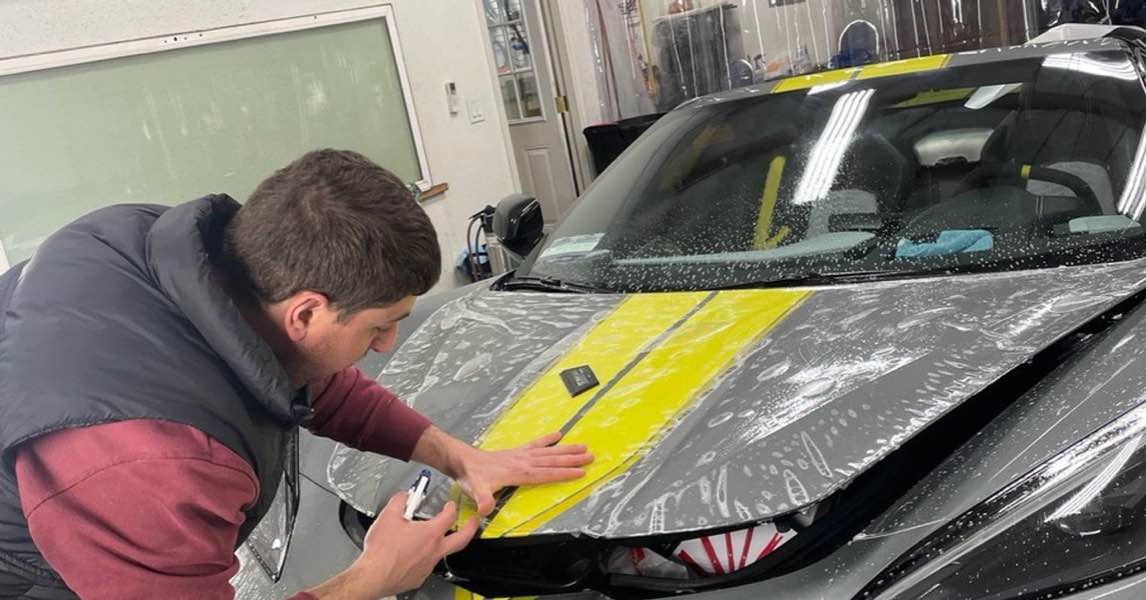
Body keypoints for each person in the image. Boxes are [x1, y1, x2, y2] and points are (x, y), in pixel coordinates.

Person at [0, 149, 594, 599]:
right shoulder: (149, 468)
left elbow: (309, 376)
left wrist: (458, 457)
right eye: (379, 326)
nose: (387, 345)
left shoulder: (188, 263)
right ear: (306, 311)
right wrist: (372, 576)